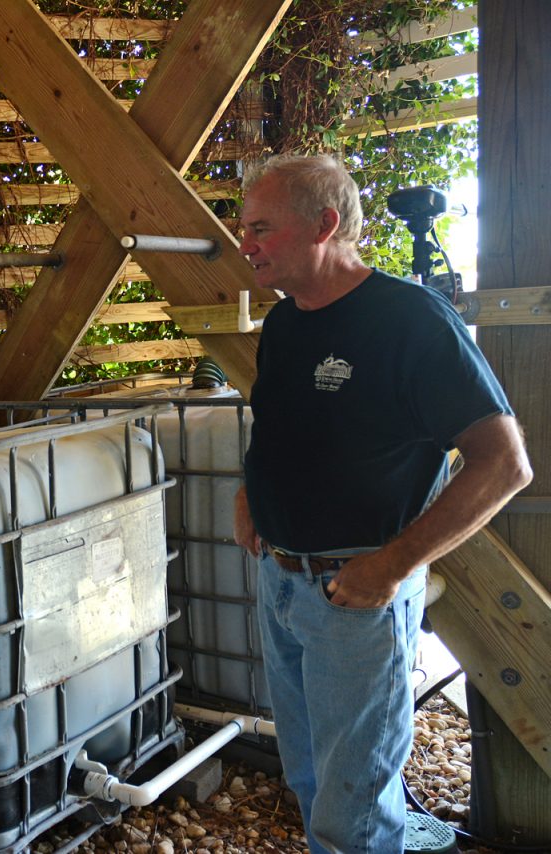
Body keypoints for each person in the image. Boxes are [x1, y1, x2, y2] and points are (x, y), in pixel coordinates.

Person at [232, 154, 532, 854]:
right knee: (311, 777)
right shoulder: (284, 325)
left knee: (353, 808)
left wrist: (393, 567)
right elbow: (276, 426)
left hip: (354, 598)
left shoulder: (410, 320)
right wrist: (250, 494)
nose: (245, 244)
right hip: (280, 580)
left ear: (324, 225)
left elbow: (505, 463)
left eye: (261, 229)